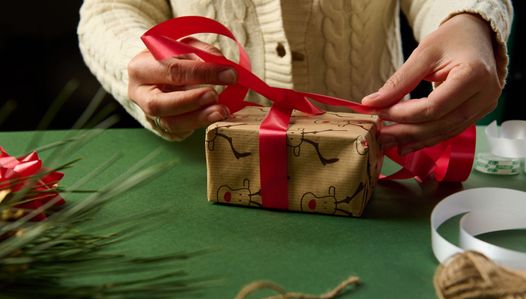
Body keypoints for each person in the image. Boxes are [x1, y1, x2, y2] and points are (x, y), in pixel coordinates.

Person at [78, 0, 513, 155]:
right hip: (202, 164)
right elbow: (107, 7)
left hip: (377, 162)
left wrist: (469, 19)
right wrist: (132, 59)